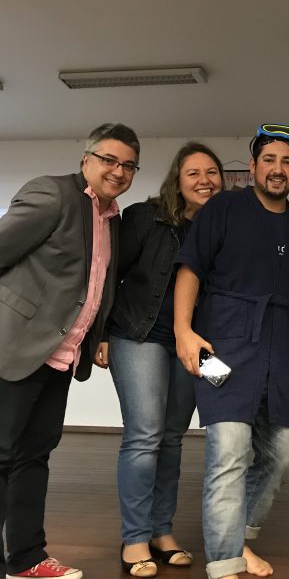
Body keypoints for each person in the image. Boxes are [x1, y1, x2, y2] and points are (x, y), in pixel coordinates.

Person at [0, 123, 140, 579]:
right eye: (109, 160)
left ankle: (26, 559)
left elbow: (97, 284)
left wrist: (97, 335)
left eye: (128, 165)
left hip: (62, 357)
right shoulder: (53, 195)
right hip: (15, 349)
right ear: (86, 159)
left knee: (34, 455)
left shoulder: (112, 218)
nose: (118, 171)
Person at [173, 124, 289, 579]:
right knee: (229, 453)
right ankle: (224, 562)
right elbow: (190, 269)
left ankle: (239, 536)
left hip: (283, 352)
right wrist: (183, 331)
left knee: (281, 454)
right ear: (252, 166)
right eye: (269, 159)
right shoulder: (224, 207)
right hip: (223, 347)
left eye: (287, 162)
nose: (278, 169)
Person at [100, 142, 224, 577]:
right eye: (194, 173)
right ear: (177, 179)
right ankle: (135, 538)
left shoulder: (224, 228)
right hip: (138, 333)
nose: (204, 180)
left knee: (172, 437)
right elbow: (108, 273)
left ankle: (160, 531)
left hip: (191, 344)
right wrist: (100, 333)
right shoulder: (144, 217)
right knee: (145, 434)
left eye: (212, 172)